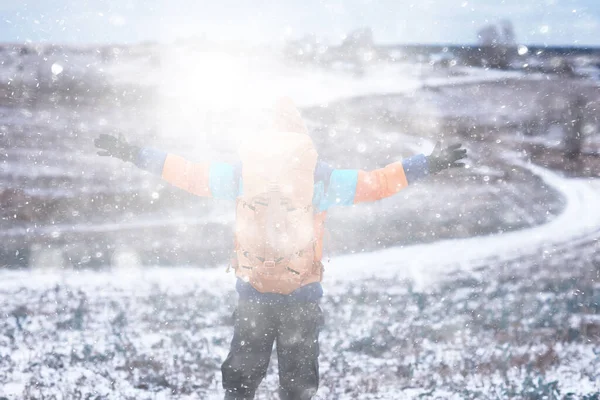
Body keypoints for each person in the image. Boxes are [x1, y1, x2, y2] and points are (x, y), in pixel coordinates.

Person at [94, 98, 467, 400]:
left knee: (241, 377)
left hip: (253, 290)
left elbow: (188, 173)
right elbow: (376, 183)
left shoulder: (241, 175)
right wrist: (428, 163)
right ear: (299, 133)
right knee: (298, 382)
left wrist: (131, 152)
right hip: (301, 293)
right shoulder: (320, 177)